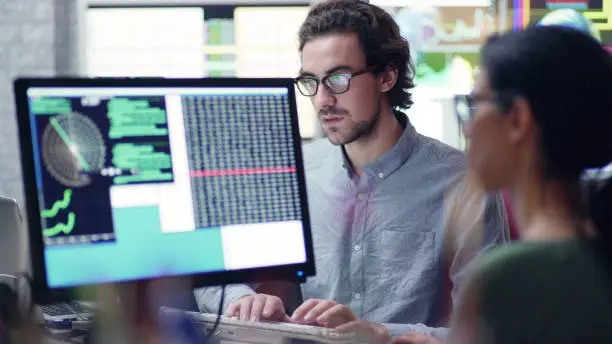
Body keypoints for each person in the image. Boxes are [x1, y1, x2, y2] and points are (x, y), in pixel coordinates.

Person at [195, 0, 509, 341]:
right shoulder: (296, 169)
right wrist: (245, 300)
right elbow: (212, 275)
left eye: (338, 78)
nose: (322, 101)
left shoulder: (464, 182)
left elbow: (487, 330)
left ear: (387, 76)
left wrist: (381, 334)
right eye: (311, 82)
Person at [409, 26, 612, 344]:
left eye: (474, 105)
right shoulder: (593, 251)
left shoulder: (512, 276)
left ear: (518, 119)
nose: (470, 128)